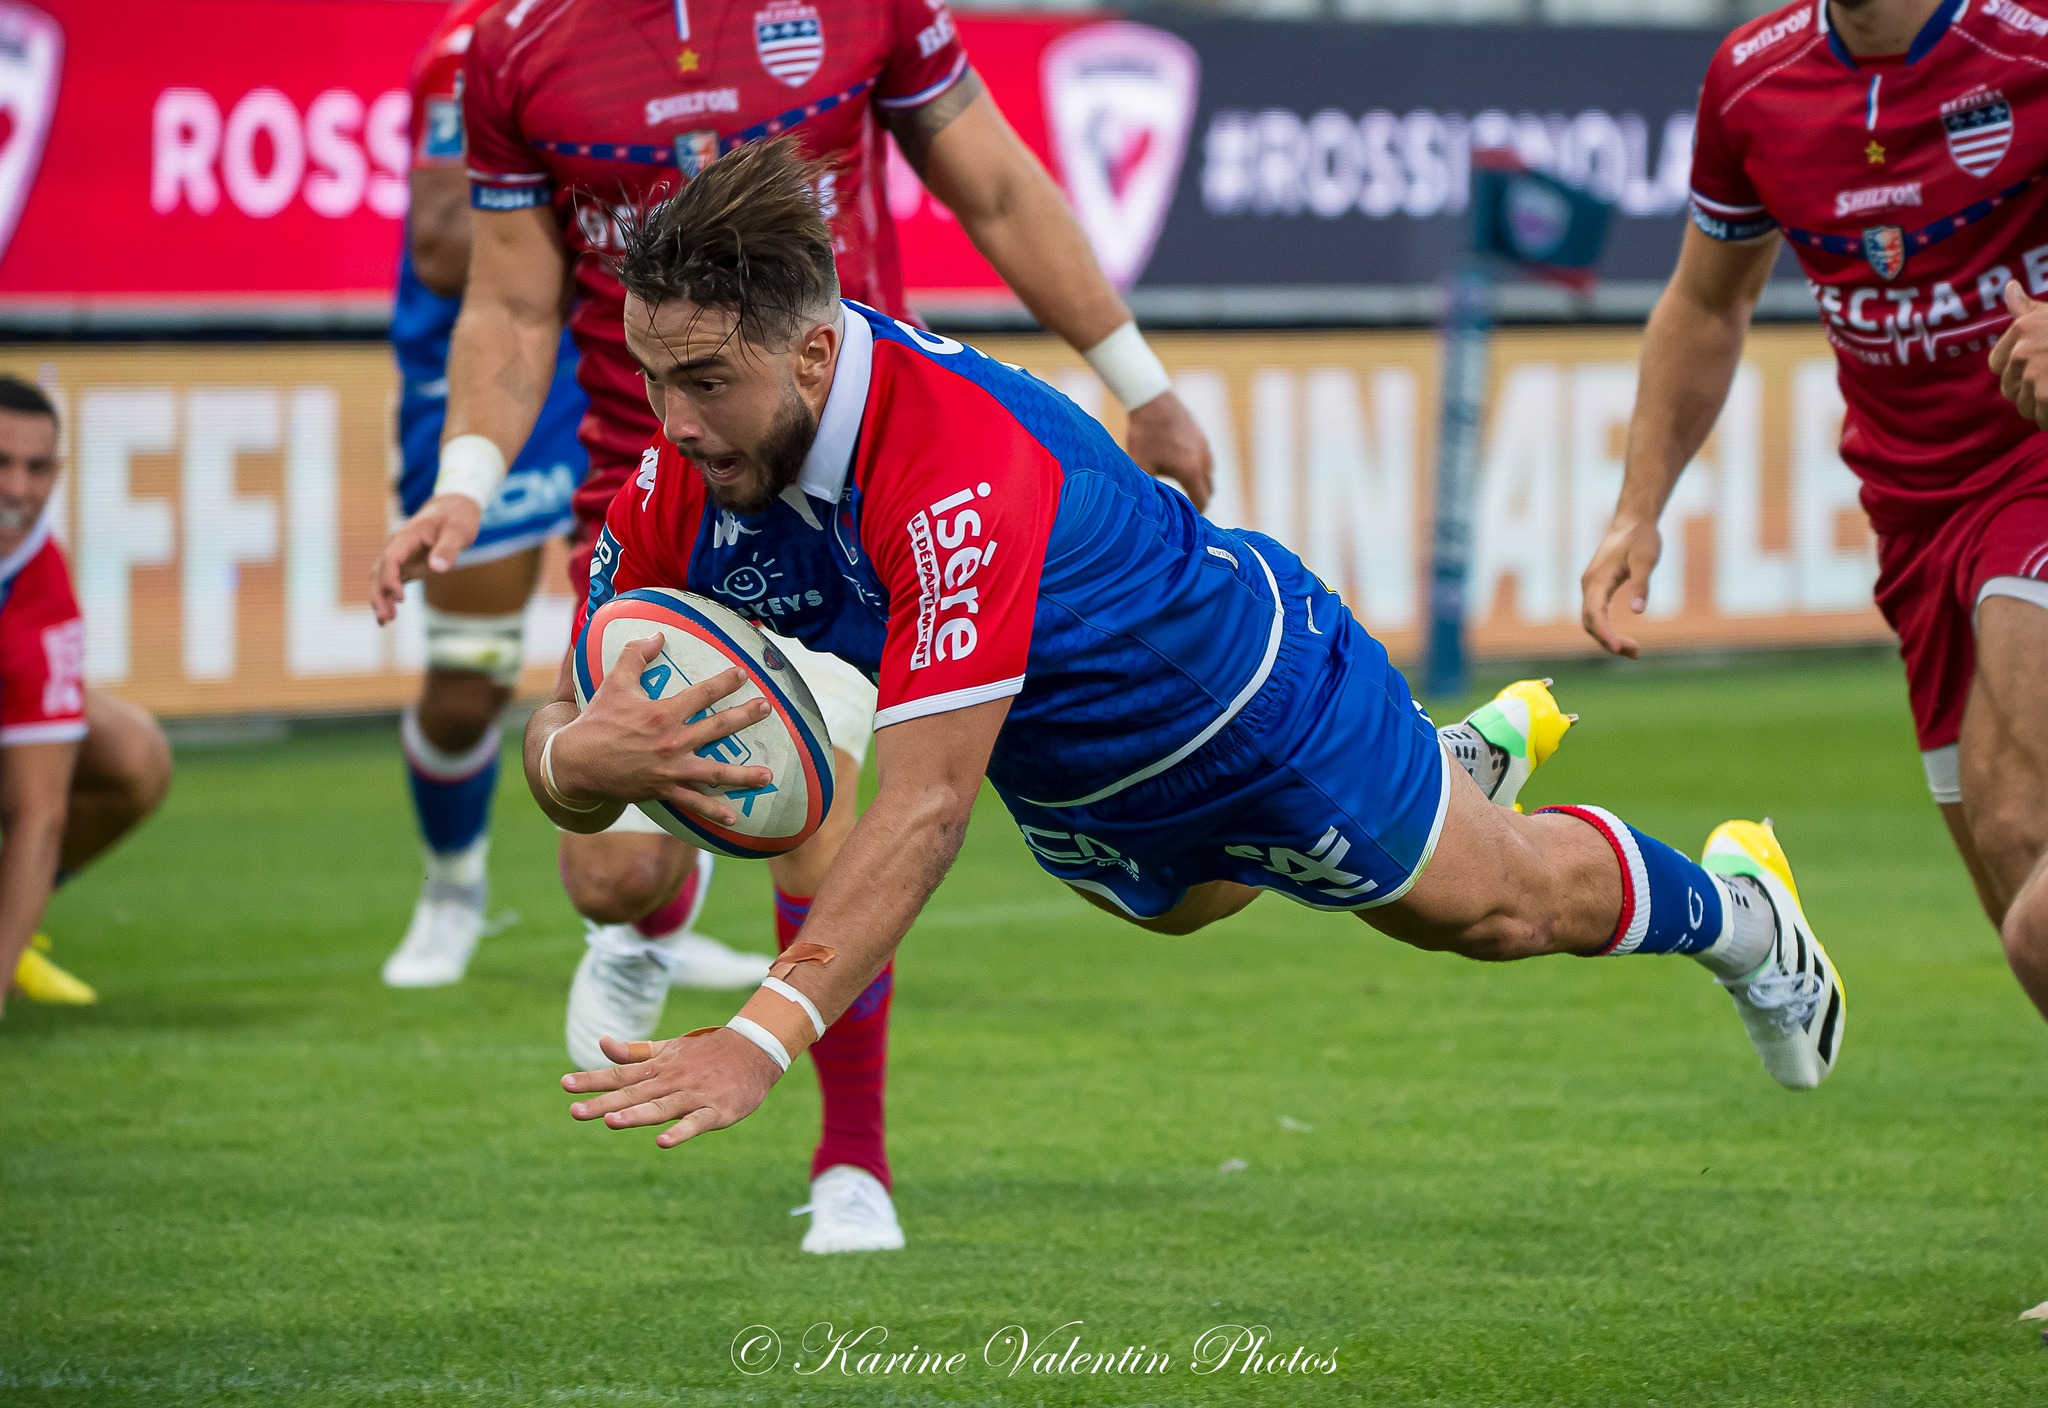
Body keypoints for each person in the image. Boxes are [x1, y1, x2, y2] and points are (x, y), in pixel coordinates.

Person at [527, 141, 1846, 1164]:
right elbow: (570, 742)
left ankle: (1742, 915)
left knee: (1491, 912)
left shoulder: (950, 473)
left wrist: (763, 1039)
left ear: (812, 349)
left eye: (706, 379)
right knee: (1189, 906)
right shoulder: (679, 484)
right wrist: (573, 761)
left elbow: (923, 807)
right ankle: (1442, 767)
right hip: (1080, 780)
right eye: (652, 378)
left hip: (1259, 707)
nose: (674, 420)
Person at [369, 0, 1214, 1251]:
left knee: (827, 814)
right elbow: (511, 305)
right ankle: (650, 915)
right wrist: (468, 479)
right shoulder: (517, 44)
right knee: (607, 857)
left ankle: (849, 1162)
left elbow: (990, 186)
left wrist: (1141, 385)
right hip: (653, 488)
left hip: (849, 482)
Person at [1580, 0, 2048, 1024]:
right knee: (2017, 877)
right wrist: (1636, 509)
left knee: (2027, 849)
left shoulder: (2026, 45)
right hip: (1913, 521)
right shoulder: (1750, 79)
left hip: (2034, 469)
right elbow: (1705, 305)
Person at [380, 0, 770, 995]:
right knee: (468, 676)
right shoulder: (479, 46)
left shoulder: (680, 42)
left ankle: (657, 916)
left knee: (676, 641)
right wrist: (586, 200)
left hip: (624, 365)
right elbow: (437, 245)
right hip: (492, 374)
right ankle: (451, 890)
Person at [0, 376, 172, 1018]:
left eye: (37, 468)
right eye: (1, 464)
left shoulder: (41, 584)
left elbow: (38, 813)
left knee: (134, 755)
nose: (18, 490)